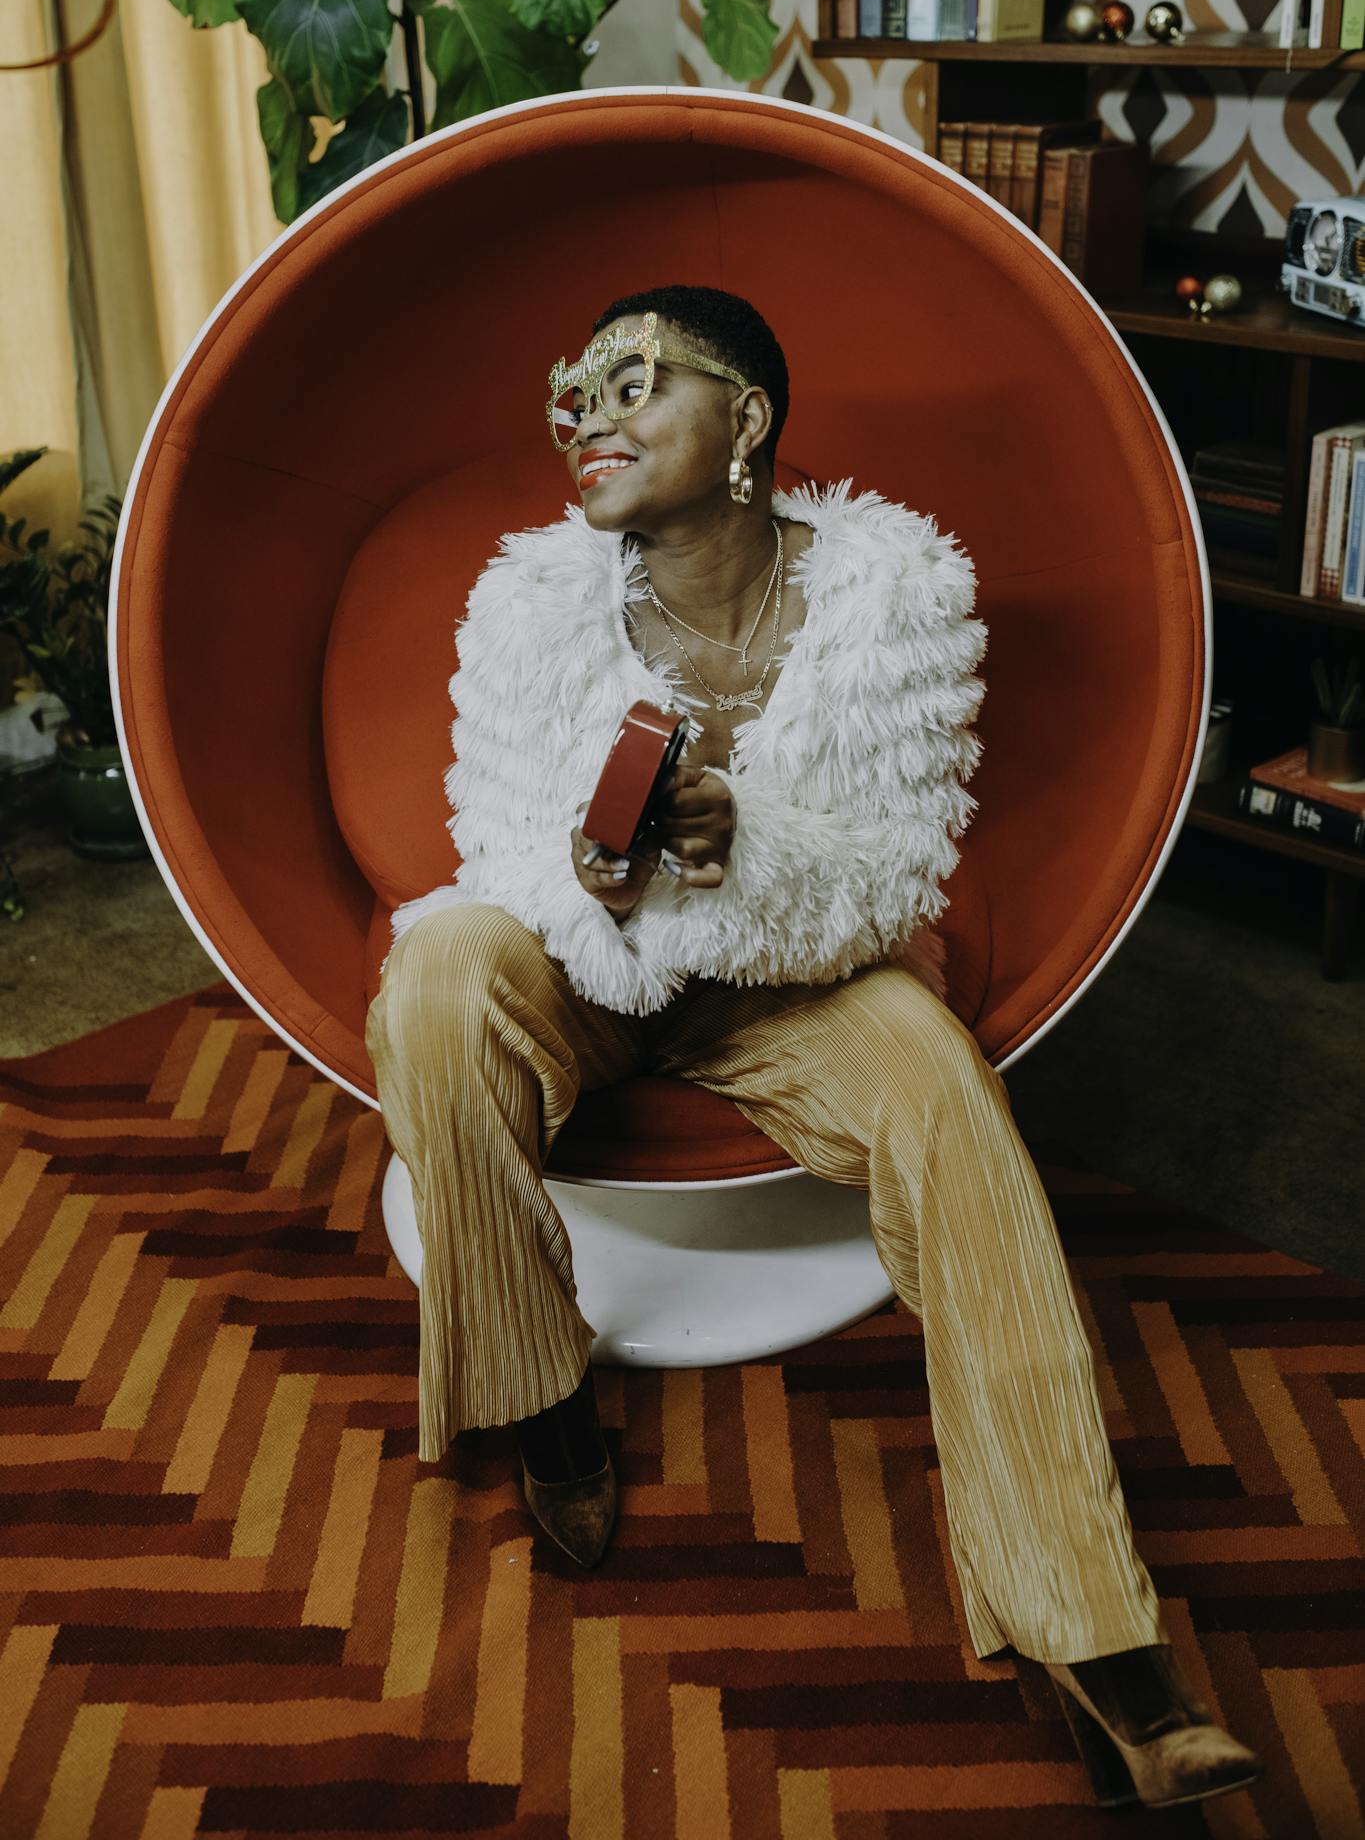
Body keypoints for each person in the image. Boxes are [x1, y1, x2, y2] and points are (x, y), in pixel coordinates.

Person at [364, 284, 1262, 1814]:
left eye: (633, 382)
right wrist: (595, 875)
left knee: (946, 1097)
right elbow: (493, 840)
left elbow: (896, 875)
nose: (587, 416)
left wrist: (749, 848)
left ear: (747, 419)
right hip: (584, 965)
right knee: (435, 974)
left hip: (792, 979)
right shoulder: (527, 599)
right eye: (574, 390)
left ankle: (1097, 1639)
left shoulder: (892, 596)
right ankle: (540, 1393)